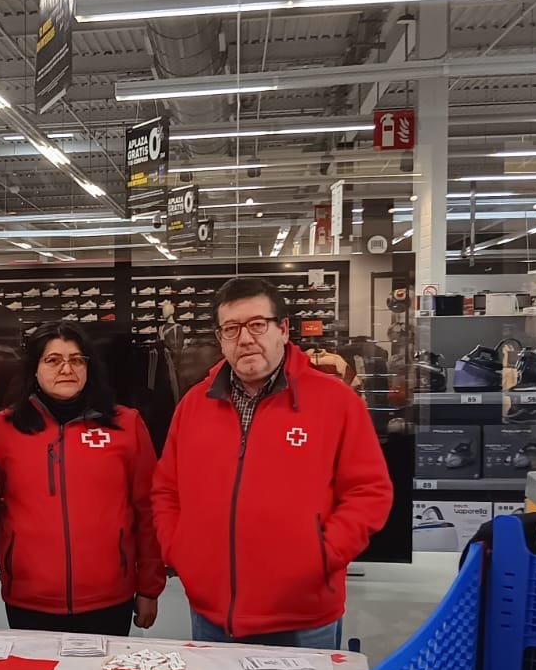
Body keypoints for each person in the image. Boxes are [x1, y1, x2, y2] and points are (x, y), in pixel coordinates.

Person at [152, 277, 393, 648]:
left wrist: (322, 556)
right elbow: (166, 489)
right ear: (220, 340)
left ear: (283, 329)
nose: (245, 338)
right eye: (231, 329)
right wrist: (180, 551)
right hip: (211, 612)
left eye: (257, 325)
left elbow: (369, 492)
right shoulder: (193, 406)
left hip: (302, 615)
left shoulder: (335, 401)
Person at [0, 324, 163, 637]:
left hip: (109, 597)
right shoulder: (2, 429)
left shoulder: (126, 424)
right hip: (29, 597)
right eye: (53, 360)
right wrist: (23, 535)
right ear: (35, 370)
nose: (66, 368)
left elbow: (148, 509)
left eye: (77, 360)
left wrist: (150, 586)